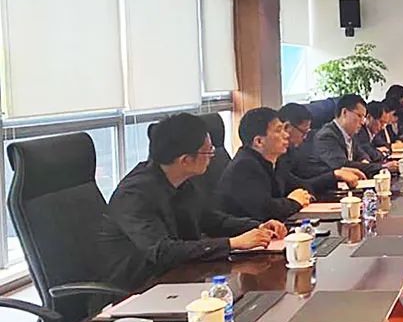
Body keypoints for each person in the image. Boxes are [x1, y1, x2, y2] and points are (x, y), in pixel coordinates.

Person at [97, 113, 287, 291]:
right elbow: (163, 251)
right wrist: (232, 243)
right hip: (139, 289)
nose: (212, 157)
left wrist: (257, 227)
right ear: (185, 160)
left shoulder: (182, 181)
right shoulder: (133, 195)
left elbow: (210, 220)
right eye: (208, 152)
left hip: (182, 277)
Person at [217, 107, 313, 221]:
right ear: (259, 141)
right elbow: (265, 210)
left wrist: (302, 195)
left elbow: (301, 186)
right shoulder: (244, 166)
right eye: (278, 131)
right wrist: (294, 202)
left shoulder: (274, 162)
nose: (286, 135)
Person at [276, 103, 363, 193]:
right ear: (287, 127)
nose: (305, 137)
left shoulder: (293, 151)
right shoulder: (276, 159)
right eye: (303, 132)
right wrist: (334, 175)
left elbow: (310, 171)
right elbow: (297, 186)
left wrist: (337, 172)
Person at [311, 94, 383, 177]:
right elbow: (342, 164)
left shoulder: (350, 134)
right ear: (344, 112)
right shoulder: (327, 136)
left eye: (363, 117)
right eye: (359, 116)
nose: (362, 122)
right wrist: (381, 167)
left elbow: (362, 154)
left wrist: (364, 161)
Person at [356, 100, 398, 164]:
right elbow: (372, 155)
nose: (383, 127)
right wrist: (379, 151)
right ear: (369, 117)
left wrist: (377, 151)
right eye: (381, 122)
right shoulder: (360, 132)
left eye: (385, 123)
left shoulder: (374, 133)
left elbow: (387, 147)